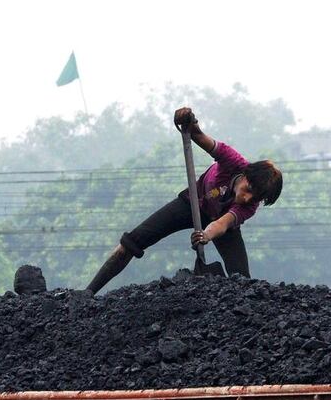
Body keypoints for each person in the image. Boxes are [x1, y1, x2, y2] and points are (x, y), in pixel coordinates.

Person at [85, 107, 283, 294]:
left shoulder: (249, 207)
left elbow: (223, 224)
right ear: (246, 175)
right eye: (248, 190)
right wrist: (189, 121)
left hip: (219, 223)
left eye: (254, 198)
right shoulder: (233, 161)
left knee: (242, 281)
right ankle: (88, 293)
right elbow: (198, 136)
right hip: (192, 203)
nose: (246, 198)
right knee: (131, 242)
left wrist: (205, 235)